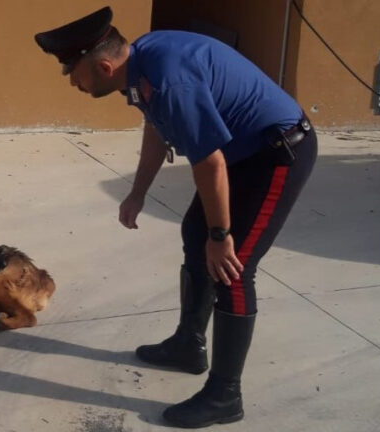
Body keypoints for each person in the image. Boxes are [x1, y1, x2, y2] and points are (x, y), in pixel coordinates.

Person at [34, 6, 317, 428]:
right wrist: (138, 192)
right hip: (241, 155)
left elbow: (209, 163)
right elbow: (158, 127)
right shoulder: (142, 64)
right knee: (193, 230)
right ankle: (189, 343)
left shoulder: (170, 79)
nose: (73, 83)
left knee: (234, 268)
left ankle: (226, 395)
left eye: (73, 74)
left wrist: (221, 235)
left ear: (105, 66)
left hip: (276, 155)